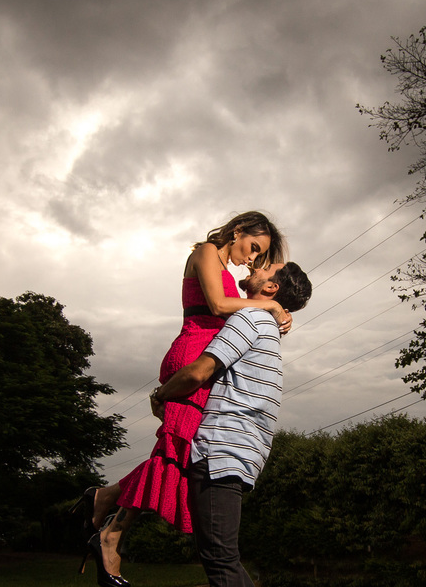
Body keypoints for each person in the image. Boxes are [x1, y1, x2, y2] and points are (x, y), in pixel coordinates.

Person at [74, 212, 295, 587]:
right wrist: (271, 308)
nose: (250, 258)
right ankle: (108, 521)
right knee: (173, 454)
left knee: (175, 457)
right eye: (252, 247)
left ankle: (108, 515)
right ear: (238, 230)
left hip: (206, 356)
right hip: (193, 353)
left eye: (259, 257)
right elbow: (219, 306)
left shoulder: (230, 270)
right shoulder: (207, 251)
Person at [154, 261, 311, 587]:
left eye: (266, 267)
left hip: (220, 451)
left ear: (271, 289)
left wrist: (162, 393)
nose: (255, 265)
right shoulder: (266, 327)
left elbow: (199, 372)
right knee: (223, 558)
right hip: (241, 454)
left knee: (220, 561)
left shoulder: (250, 318)